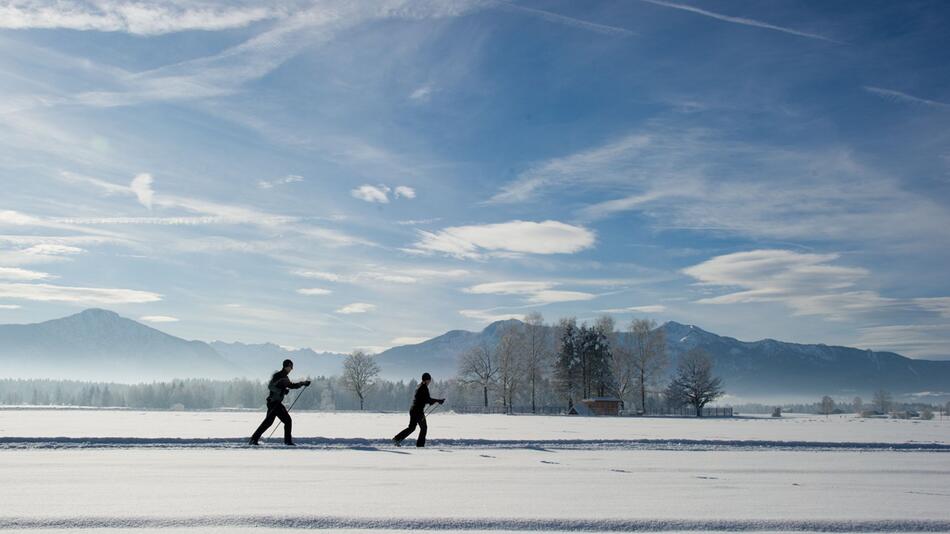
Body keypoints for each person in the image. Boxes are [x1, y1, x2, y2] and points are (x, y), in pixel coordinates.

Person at [249, 359, 310, 446]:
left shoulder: (285, 377)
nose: (291, 369)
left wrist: (303, 383)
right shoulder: (278, 375)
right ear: (286, 366)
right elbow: (270, 386)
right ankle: (287, 442)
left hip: (274, 402)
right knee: (287, 420)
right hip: (274, 402)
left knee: (268, 422)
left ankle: (253, 439)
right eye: (291, 367)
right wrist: (281, 391)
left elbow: (291, 385)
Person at [393, 372, 444, 448]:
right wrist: (438, 401)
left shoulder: (419, 386)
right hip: (418, 411)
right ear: (426, 380)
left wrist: (435, 401)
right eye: (429, 380)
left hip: (413, 409)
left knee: (412, 428)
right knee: (424, 428)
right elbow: (427, 399)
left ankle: (396, 439)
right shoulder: (424, 388)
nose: (430, 381)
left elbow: (424, 399)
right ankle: (420, 446)